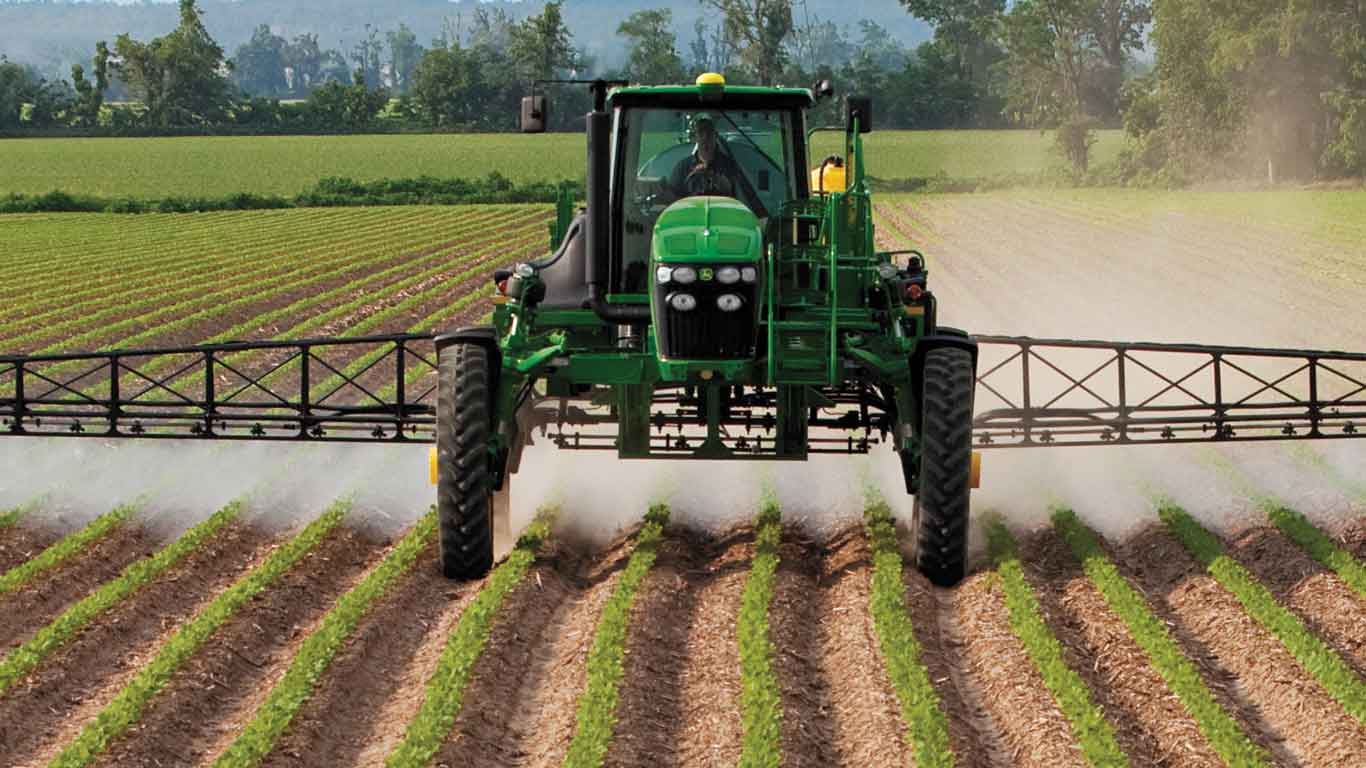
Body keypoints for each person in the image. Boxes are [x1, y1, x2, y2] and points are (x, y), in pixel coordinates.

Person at [666, 116, 745, 200]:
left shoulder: (729, 165)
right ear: (695, 137)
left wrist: (716, 179)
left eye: (709, 133)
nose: (705, 137)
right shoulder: (683, 167)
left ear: (716, 136)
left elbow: (738, 195)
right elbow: (673, 198)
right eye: (701, 133)